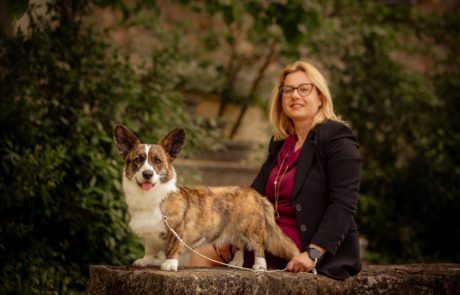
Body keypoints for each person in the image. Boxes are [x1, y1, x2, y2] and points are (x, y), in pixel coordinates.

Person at [189, 60, 362, 280]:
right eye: (287, 90)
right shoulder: (282, 143)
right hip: (267, 237)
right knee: (204, 250)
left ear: (320, 97)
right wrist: (231, 236)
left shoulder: (337, 137)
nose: (294, 95)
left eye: (304, 89)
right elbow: (252, 196)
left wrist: (314, 253)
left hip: (306, 245)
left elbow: (343, 203)